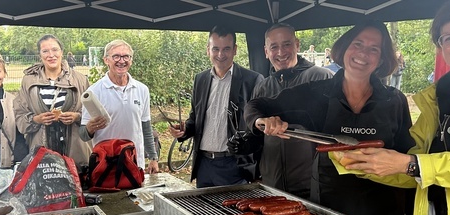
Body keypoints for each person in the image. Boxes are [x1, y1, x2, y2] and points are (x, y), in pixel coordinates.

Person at [330, 0, 450, 215]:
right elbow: (417, 168)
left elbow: (423, 165)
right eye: (449, 38)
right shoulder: (437, 98)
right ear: (441, 46)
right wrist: (364, 163)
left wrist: (410, 164)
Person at [244, 20, 414, 215]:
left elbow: (408, 159)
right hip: (329, 208)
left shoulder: (394, 100)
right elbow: (257, 105)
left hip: (383, 211)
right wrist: (262, 121)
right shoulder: (317, 93)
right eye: (358, 44)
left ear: (381, 59)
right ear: (344, 48)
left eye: (374, 49)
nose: (363, 53)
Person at [168, 25, 264, 187]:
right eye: (216, 49)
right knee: (203, 205)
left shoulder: (252, 80)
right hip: (204, 165)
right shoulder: (200, 79)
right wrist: (184, 131)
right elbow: (195, 119)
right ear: (208, 50)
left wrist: (257, 170)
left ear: (235, 50)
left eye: (226, 49)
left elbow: (259, 130)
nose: (220, 54)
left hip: (235, 165)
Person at [249, 23, 333, 198]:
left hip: (312, 185)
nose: (281, 52)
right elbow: (257, 136)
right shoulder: (262, 87)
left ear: (297, 45)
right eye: (274, 47)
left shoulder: (321, 77)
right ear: (266, 51)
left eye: (286, 44)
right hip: (272, 183)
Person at [80, 39, 159, 173]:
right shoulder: (94, 92)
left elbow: (145, 126)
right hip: (105, 164)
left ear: (131, 60)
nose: (121, 61)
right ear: (106, 60)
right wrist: (90, 128)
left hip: (134, 162)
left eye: (126, 56)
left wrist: (153, 157)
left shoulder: (142, 89)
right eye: (116, 56)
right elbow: (83, 135)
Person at [14, 34, 92, 169]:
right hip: (42, 156)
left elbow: (92, 114)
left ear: (62, 52)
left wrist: (77, 116)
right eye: (45, 51)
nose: (51, 55)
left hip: (76, 154)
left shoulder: (80, 80)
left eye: (55, 50)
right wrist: (36, 119)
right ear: (40, 55)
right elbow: (20, 115)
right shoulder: (28, 81)